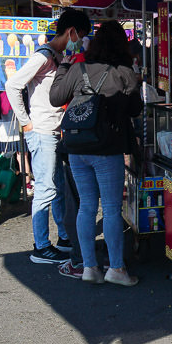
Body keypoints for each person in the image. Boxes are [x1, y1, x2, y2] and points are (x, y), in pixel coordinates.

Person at [50, 20, 143, 287]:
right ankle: (116, 269)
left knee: (87, 207)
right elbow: (135, 109)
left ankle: (89, 267)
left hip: (77, 146)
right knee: (112, 209)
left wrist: (65, 65)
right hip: (107, 149)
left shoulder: (78, 69)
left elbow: (56, 98)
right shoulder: (124, 72)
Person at [5, 8, 91, 265]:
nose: (81, 41)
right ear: (71, 31)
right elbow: (13, 84)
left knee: (58, 188)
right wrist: (26, 122)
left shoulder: (57, 55)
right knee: (45, 189)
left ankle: (63, 237)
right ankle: (40, 246)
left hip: (54, 130)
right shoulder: (43, 56)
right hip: (41, 131)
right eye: (81, 35)